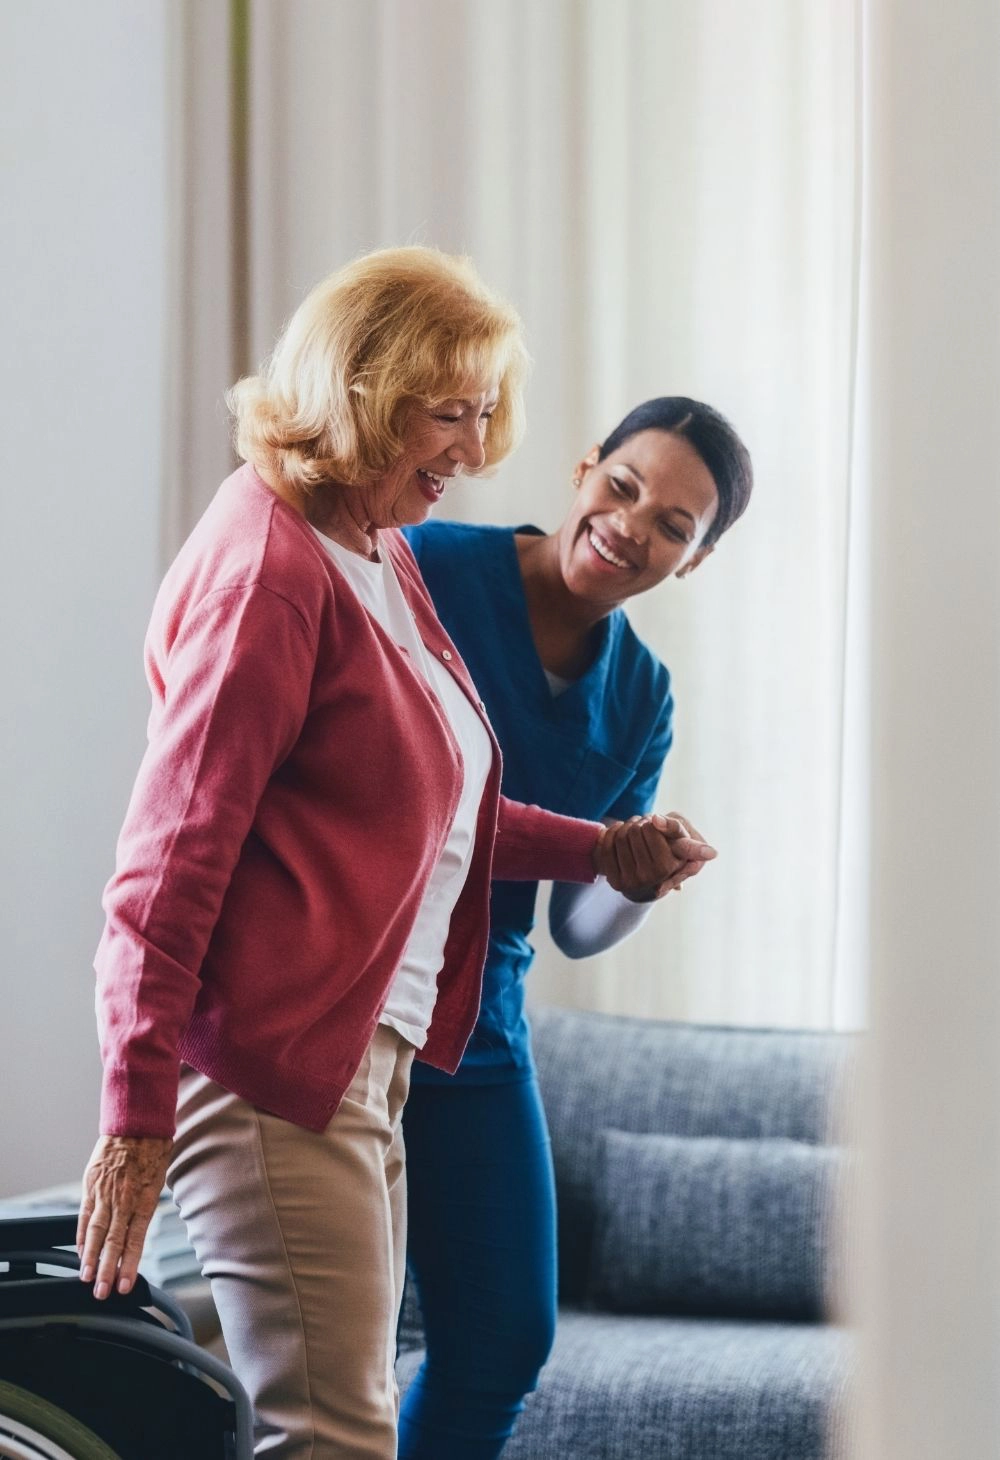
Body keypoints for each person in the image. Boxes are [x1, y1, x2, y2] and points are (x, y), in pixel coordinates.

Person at [76, 251, 715, 1460]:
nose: (472, 452)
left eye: (484, 415)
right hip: (279, 1060)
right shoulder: (274, 565)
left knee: (341, 1417)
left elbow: (438, 811)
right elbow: (168, 864)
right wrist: (132, 1111)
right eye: (448, 413)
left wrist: (609, 850)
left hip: (374, 1050)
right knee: (333, 1433)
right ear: (366, 386)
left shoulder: (371, 549)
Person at [396, 395, 753, 1460]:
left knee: (504, 1335)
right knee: (335, 1335)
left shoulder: (641, 696)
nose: (632, 525)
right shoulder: (418, 565)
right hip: (347, 988)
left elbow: (577, 927)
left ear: (691, 561)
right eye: (625, 486)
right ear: (584, 468)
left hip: (477, 1029)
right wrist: (597, 847)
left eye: (675, 525)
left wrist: (636, 875)